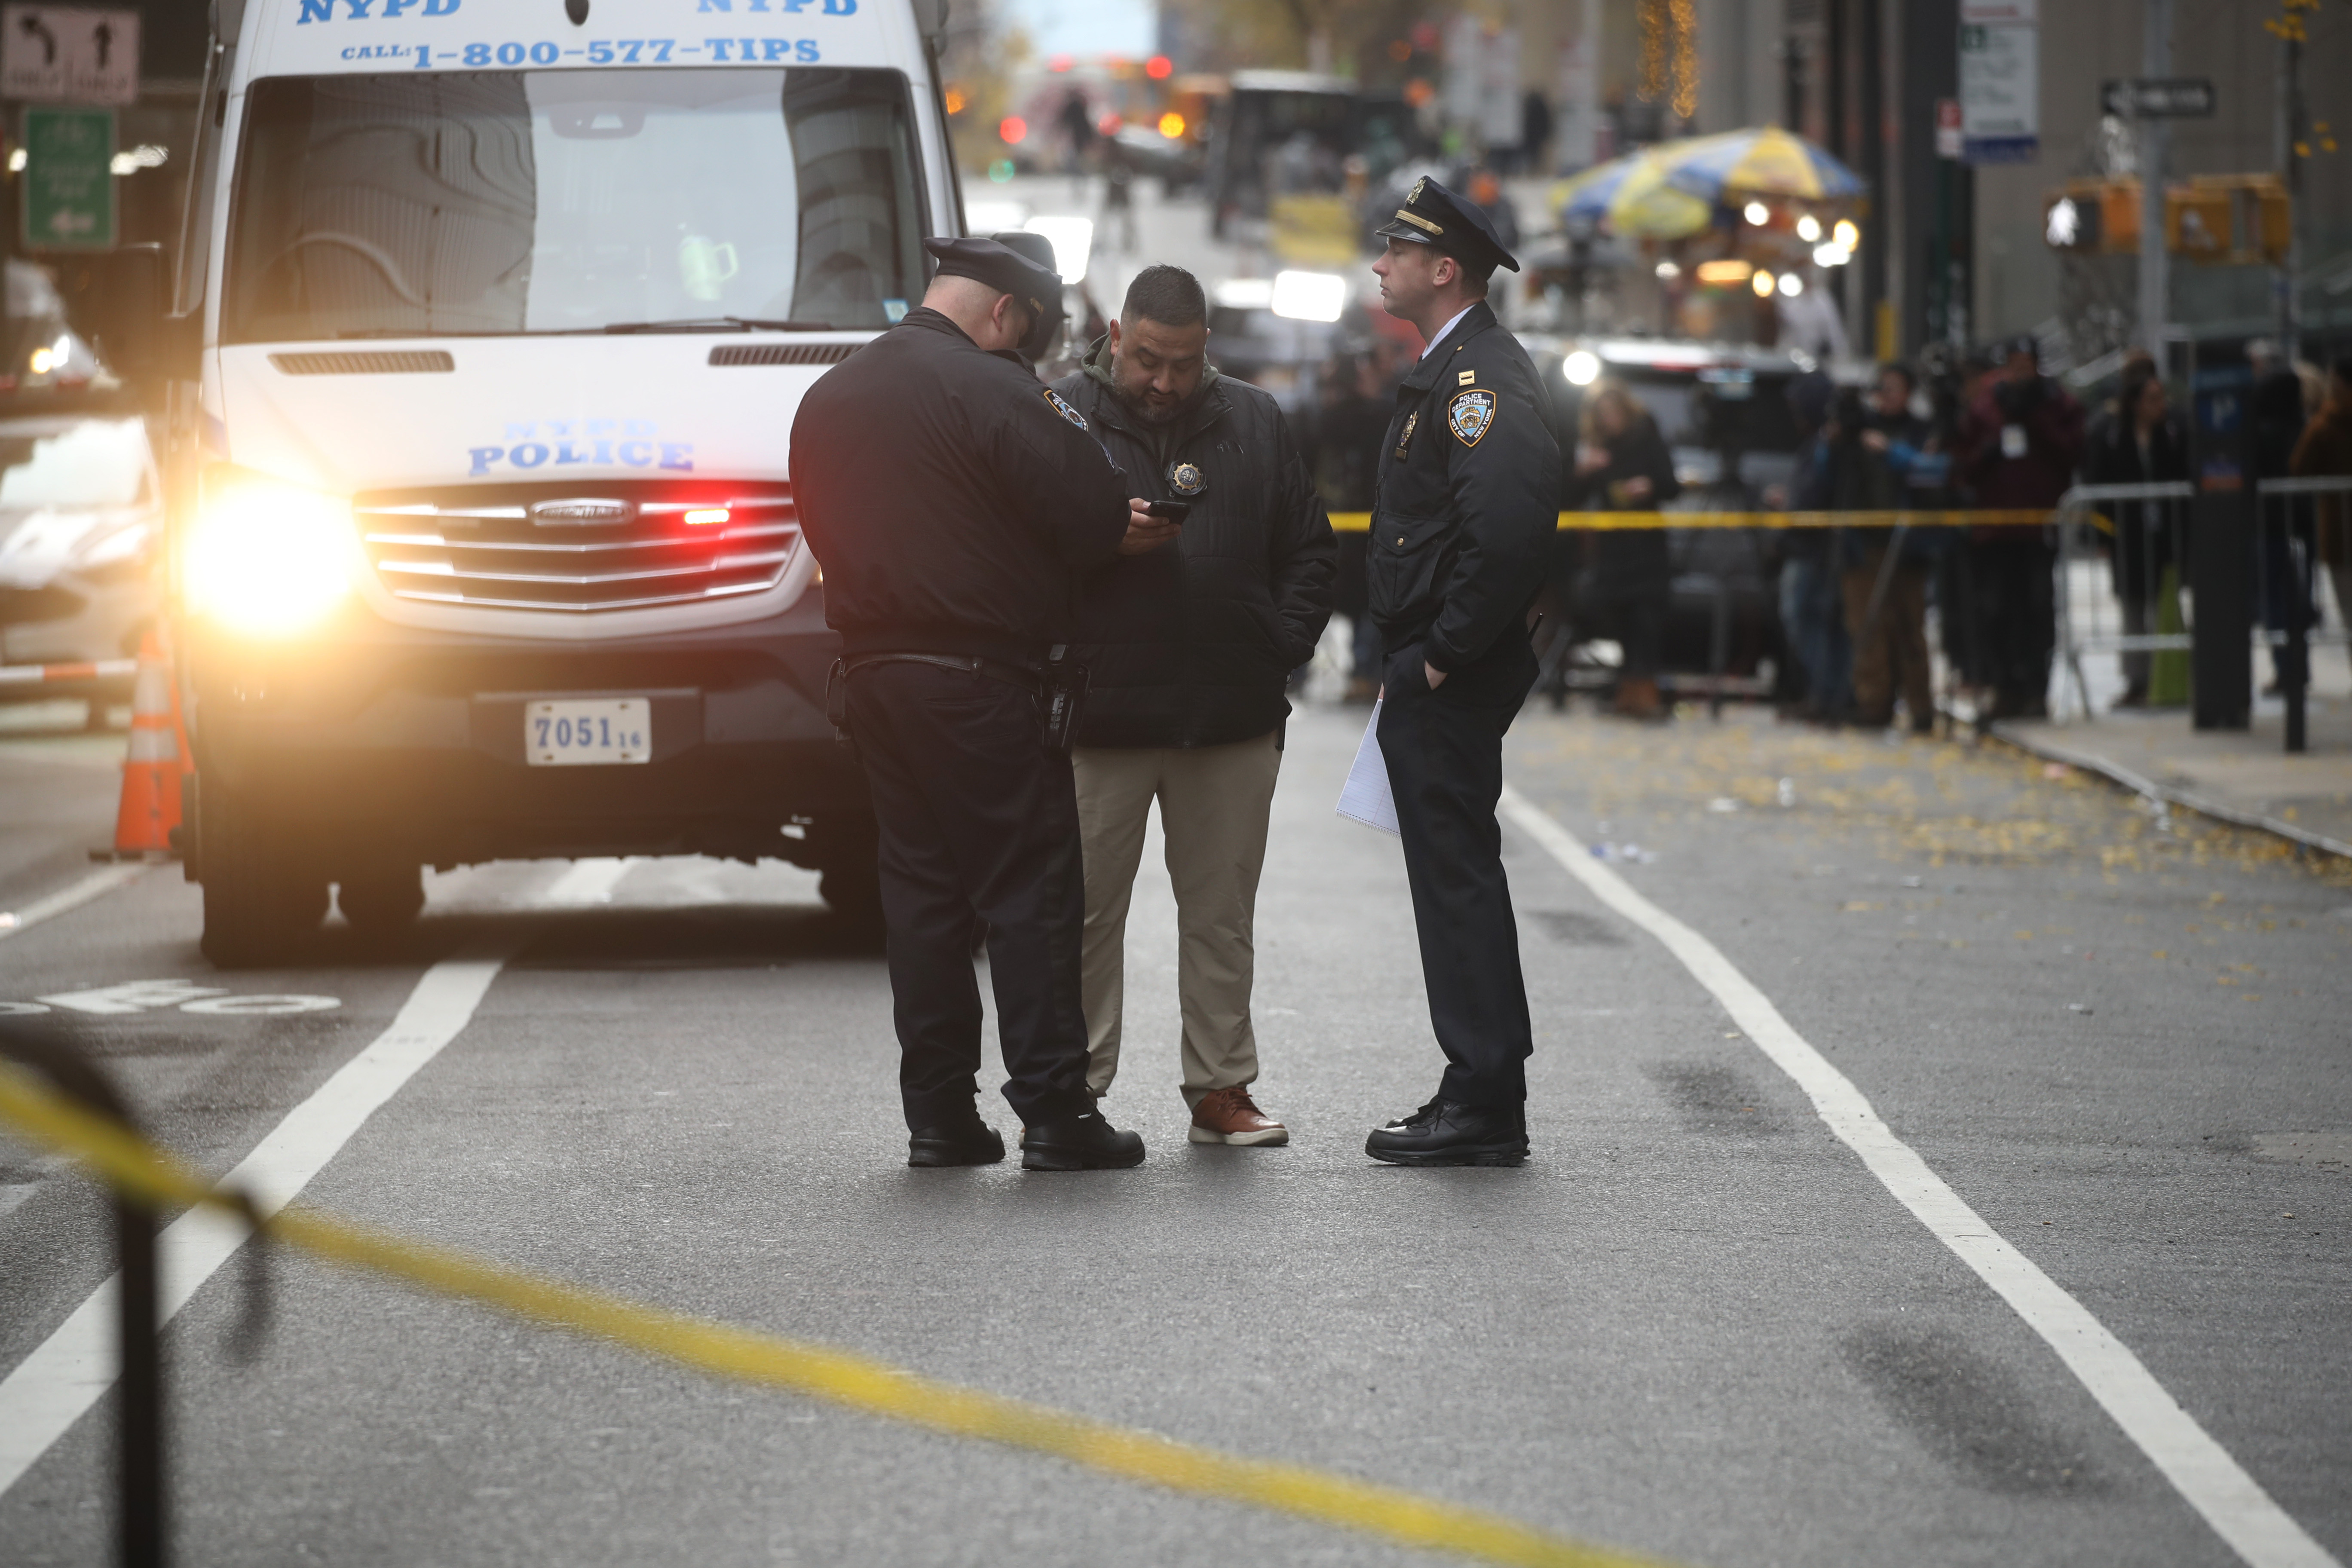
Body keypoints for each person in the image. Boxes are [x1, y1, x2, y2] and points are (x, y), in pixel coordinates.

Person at [790, 237, 1176, 1172]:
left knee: (923, 897)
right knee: (1030, 889)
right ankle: (1055, 1112)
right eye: (1029, 340)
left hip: (873, 677)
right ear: (1007, 313)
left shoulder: (830, 394)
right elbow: (1093, 505)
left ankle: (940, 1117)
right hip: (979, 680)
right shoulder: (994, 385)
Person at [1051, 265, 1335, 1147]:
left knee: (1221, 917)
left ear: (1206, 349)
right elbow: (1012, 552)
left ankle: (1220, 1088)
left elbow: (1311, 553)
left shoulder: (1254, 420)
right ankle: (1075, 1092)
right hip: (1102, 719)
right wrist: (1102, 541)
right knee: (1086, 913)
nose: (1163, 381)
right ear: (1113, 336)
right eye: (1145, 360)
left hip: (1228, 716)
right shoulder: (1061, 415)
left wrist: (1274, 651)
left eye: (1180, 363)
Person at [1360, 177, 1561, 1166]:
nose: (1378, 265)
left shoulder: (1480, 379)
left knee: (1456, 883)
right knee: (1452, 881)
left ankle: (1481, 1096)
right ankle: (1477, 1084)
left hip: (1447, 675)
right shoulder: (1454, 368)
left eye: (1395, 252)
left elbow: (1509, 531)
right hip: (1434, 670)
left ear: (1443, 270)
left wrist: (1440, 656)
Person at [1956, 336, 2083, 719]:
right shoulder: (1987, 406)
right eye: (2014, 364)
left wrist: (2035, 419)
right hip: (1995, 530)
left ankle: (2035, 687)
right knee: (1997, 611)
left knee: (2037, 609)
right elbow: (1964, 463)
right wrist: (1988, 451)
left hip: (2038, 529)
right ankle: (2005, 686)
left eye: (2026, 364)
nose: (2020, 372)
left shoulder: (2057, 404)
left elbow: (2073, 452)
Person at [1837, 363, 1946, 732]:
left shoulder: (1920, 432)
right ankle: (1874, 704)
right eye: (1881, 388)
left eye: (1895, 388)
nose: (1887, 395)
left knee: (1910, 626)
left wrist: (1890, 451)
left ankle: (1921, 706)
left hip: (1909, 544)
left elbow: (1930, 472)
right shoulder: (1857, 432)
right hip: (1864, 543)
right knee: (1868, 626)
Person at [1565, 381, 1680, 719]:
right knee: (1618, 618)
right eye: (1602, 415)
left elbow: (1670, 484)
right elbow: (1573, 495)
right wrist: (1583, 472)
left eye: (1613, 413)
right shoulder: (1597, 448)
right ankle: (1626, 691)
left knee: (1646, 619)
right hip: (1611, 549)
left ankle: (1645, 693)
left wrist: (1649, 486)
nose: (1608, 420)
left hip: (1645, 546)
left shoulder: (1647, 437)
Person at [2083, 358, 2190, 707]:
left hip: (2164, 531)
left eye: (2161, 397)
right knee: (2132, 605)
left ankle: (2170, 677)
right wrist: (2101, 535)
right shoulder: (2111, 432)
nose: (2160, 406)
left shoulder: (2173, 430)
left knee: (2165, 603)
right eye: (2152, 399)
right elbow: (2096, 480)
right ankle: (2136, 678)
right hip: (2127, 533)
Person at [1773, 369, 1849, 721]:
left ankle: (1828, 694)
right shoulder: (1816, 443)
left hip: (1815, 548)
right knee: (1811, 619)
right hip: (1807, 546)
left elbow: (1818, 492)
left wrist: (1792, 505)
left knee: (1809, 618)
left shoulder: (1828, 444)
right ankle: (1823, 693)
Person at [2290, 356, 2352, 637]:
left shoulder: (2325, 423)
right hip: (2339, 530)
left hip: (2340, 532)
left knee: (2349, 609)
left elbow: (2299, 466)